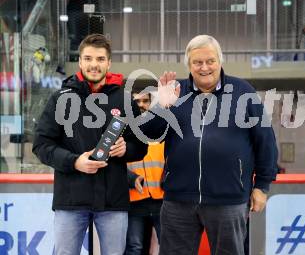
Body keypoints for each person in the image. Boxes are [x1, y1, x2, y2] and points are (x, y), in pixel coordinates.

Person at [144, 35, 278, 255]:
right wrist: (161, 107)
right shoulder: (175, 92)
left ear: (220, 61)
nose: (204, 67)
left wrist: (262, 186)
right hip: (178, 199)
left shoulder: (243, 91)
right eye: (197, 62)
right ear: (188, 65)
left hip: (229, 199)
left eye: (210, 61)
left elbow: (265, 140)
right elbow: (150, 133)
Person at [32, 34, 145, 255]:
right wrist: (74, 162)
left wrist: (126, 149)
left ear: (109, 63)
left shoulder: (124, 100)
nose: (94, 64)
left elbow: (140, 146)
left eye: (101, 59)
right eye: (89, 58)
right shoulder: (60, 98)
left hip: (113, 201)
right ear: (81, 62)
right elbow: (41, 145)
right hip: (70, 201)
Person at [125, 91, 164, 255]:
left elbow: (174, 157)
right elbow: (111, 162)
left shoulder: (162, 129)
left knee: (170, 246)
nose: (141, 104)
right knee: (135, 248)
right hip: (134, 200)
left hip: (162, 199)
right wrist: (131, 178)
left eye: (145, 101)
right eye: (137, 101)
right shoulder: (122, 130)